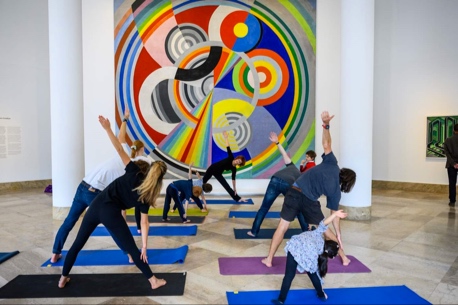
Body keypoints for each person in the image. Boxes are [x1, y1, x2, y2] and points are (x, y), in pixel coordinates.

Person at [57, 115, 168, 290]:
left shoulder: (133, 171)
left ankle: (62, 278)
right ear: (159, 180)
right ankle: (153, 281)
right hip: (110, 212)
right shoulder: (146, 195)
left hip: (95, 206)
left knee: (77, 244)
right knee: (131, 248)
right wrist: (145, 247)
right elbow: (144, 223)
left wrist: (108, 128)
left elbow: (119, 148)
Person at [50, 109, 147, 264]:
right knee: (113, 224)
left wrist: (125, 119)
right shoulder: (131, 164)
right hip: (93, 192)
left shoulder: (124, 153)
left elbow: (121, 138)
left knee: (69, 221)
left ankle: (55, 253)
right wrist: (111, 127)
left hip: (82, 186)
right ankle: (129, 253)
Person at [261, 111, 356, 268]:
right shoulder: (336, 192)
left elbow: (326, 145)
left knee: (282, 227)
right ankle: (344, 258)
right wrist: (338, 234)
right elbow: (335, 215)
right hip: (310, 201)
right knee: (323, 229)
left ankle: (269, 259)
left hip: (294, 192)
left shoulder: (332, 163)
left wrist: (326, 125)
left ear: (343, 171)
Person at [272, 210, 348, 305]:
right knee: (313, 275)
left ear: (327, 241)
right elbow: (315, 274)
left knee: (289, 276)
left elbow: (324, 223)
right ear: (330, 256)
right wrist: (322, 290)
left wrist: (335, 214)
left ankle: (281, 300)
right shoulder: (316, 254)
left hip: (294, 246)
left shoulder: (318, 233)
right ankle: (321, 295)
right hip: (299, 249)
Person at [247, 131, 309, 237]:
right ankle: (306, 230)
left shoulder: (291, 166)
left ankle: (254, 231)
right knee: (298, 208)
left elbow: (284, 154)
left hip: (275, 179)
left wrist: (277, 142)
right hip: (288, 184)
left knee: (264, 208)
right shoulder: (301, 178)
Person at [202, 131, 247, 202]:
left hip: (218, 173)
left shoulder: (234, 169)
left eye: (239, 162)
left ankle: (238, 198)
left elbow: (233, 179)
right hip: (212, 168)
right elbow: (228, 147)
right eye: (238, 160)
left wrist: (235, 189)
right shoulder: (231, 157)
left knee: (227, 186)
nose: (237, 161)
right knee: (202, 182)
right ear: (236, 158)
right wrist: (226, 137)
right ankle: (193, 196)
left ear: (239, 164)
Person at [444, 123, 458, 207]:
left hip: (451, 165)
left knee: (452, 183)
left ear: (454, 130)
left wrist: (454, 163)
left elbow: (447, 153)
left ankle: (452, 201)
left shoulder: (448, 140)